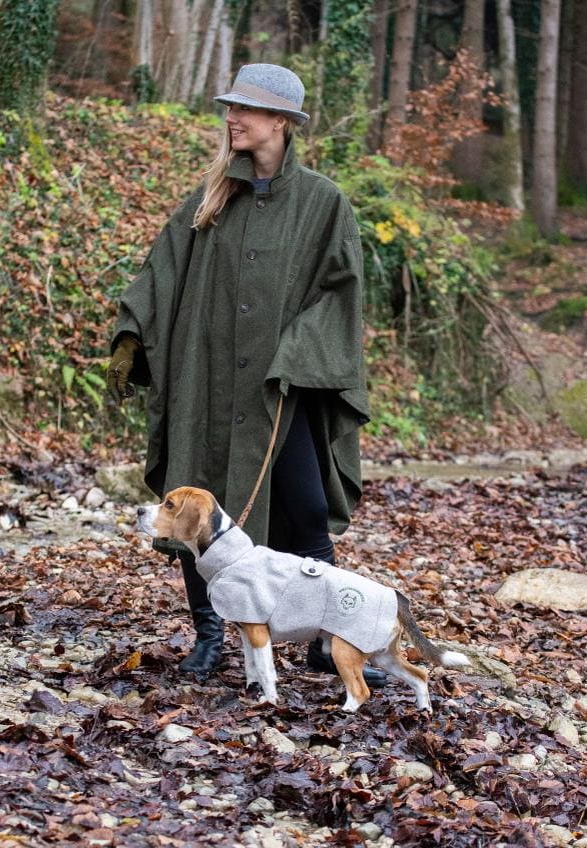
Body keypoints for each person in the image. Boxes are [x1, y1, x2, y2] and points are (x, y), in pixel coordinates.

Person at [107, 63, 383, 686]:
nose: (232, 118)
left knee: (308, 512)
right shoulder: (210, 199)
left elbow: (340, 294)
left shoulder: (322, 203)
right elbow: (162, 271)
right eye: (230, 108)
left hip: (279, 390)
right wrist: (131, 334)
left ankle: (322, 636)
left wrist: (296, 353)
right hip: (206, 385)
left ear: (280, 122)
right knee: (194, 514)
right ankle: (209, 639)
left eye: (246, 110)